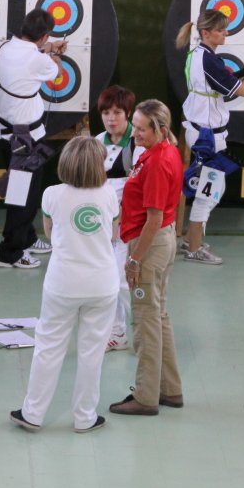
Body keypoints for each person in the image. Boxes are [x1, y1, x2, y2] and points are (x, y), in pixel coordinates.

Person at [10, 137, 118, 433]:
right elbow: (113, 234)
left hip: (63, 283)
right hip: (102, 283)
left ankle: (32, 413)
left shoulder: (52, 194)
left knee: (48, 346)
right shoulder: (110, 194)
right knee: (92, 352)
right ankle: (85, 417)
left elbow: (49, 231)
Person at [175, 9, 244, 264]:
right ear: (206, 33)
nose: (225, 33)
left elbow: (219, 82)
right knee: (209, 191)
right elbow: (241, 91)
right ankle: (194, 248)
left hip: (201, 132)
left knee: (208, 187)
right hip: (207, 136)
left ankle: (190, 241)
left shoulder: (198, 54)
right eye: (220, 30)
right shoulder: (209, 60)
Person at [109, 100, 184, 416]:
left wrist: (134, 260)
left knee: (146, 322)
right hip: (159, 241)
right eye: (135, 127)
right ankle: (169, 389)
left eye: (141, 129)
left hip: (148, 245)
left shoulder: (156, 163)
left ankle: (146, 396)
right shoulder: (163, 151)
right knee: (159, 316)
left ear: (161, 129)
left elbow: (154, 219)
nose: (135, 133)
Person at [0, 8, 66, 269]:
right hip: (25, 140)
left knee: (21, 191)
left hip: (9, 133)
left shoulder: (4, 48)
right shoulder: (39, 60)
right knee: (23, 195)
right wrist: (55, 54)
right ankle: (10, 252)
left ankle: (26, 237)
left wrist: (47, 48)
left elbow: (29, 55)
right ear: (44, 36)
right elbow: (56, 71)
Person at [95, 86, 144, 352]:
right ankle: (117, 332)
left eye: (117, 112)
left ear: (128, 114)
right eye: (106, 113)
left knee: (123, 281)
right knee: (107, 279)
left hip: (129, 223)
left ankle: (142, 329)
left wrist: (122, 221)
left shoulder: (138, 143)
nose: (111, 118)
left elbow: (139, 189)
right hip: (102, 222)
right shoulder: (97, 141)